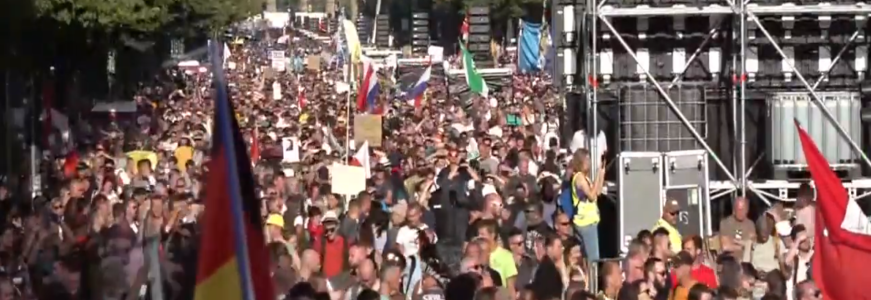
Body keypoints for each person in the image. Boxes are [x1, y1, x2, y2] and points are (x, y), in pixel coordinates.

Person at [568, 149, 605, 261]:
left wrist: (601, 172)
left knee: (585, 256)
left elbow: (597, 192)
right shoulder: (579, 178)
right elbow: (591, 196)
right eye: (587, 159)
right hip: (585, 222)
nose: (589, 162)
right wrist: (598, 174)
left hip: (590, 221)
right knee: (593, 258)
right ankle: (592, 278)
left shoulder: (585, 178)